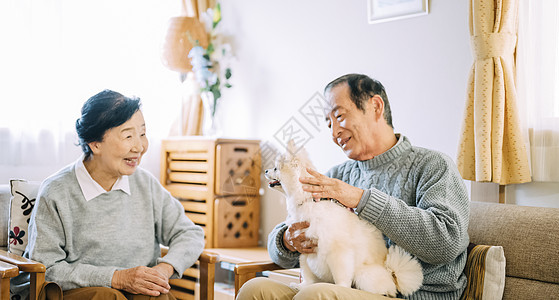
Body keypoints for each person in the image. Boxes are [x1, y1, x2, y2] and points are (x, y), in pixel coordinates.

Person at [237, 74, 470, 300]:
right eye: (329, 123)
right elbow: (280, 243)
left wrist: (359, 199)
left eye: (339, 116)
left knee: (315, 295)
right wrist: (287, 240)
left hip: (409, 294)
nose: (334, 132)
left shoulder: (433, 166)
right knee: (255, 290)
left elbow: (446, 242)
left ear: (376, 107)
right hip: (342, 288)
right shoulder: (338, 175)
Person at [25, 90, 205, 299]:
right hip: (78, 292)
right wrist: (116, 277)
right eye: (128, 136)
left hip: (136, 292)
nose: (140, 147)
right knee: (108, 297)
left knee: (156, 295)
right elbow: (45, 267)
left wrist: (163, 269)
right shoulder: (56, 192)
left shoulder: (145, 183)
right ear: (95, 143)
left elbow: (190, 234)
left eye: (143, 134)